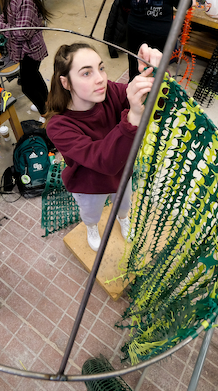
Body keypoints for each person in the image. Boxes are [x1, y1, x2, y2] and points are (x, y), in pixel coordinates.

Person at [45, 42, 162, 252]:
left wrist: (152, 77)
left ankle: (123, 219)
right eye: (86, 73)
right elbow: (102, 160)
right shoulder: (59, 126)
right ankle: (91, 227)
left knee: (124, 205)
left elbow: (156, 105)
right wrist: (134, 114)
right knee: (91, 213)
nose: (100, 78)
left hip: (122, 174)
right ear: (66, 82)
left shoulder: (111, 93)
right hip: (88, 184)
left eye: (100, 68)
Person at [0, 0, 51, 122]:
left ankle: (46, 114)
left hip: (31, 50)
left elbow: (23, 32)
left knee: (27, 86)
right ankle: (48, 104)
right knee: (34, 77)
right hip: (23, 50)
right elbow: (6, 15)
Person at [121, 0, 186, 81]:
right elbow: (182, 4)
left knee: (136, 67)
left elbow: (125, 2)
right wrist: (191, 1)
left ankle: (135, 89)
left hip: (136, 27)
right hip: (158, 30)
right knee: (155, 69)